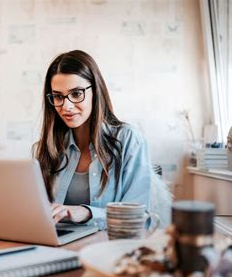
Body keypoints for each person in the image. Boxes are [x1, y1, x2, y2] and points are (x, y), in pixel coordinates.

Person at [34, 50, 154, 229]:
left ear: (95, 92)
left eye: (76, 94)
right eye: (58, 96)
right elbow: (41, 211)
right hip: (58, 243)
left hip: (108, 247)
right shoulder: (49, 146)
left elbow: (138, 216)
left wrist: (87, 212)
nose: (66, 106)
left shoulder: (129, 139)